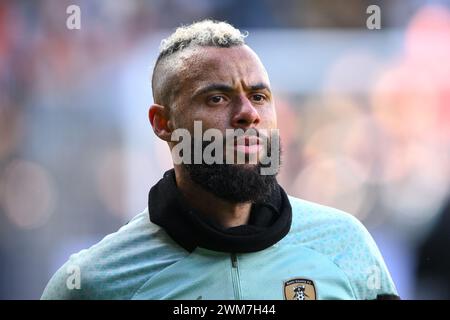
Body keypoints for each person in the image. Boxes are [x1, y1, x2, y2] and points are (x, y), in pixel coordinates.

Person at [41, 19, 399, 300]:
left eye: (259, 96)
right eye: (217, 98)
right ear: (163, 123)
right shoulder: (96, 282)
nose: (248, 114)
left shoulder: (345, 245)